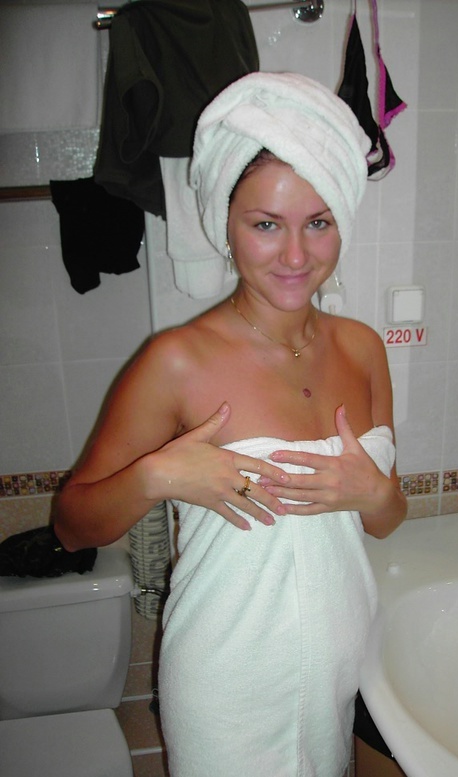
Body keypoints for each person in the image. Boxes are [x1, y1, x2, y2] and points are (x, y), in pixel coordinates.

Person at [54, 72, 407, 777]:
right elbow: (71, 525)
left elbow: (386, 519)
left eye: (318, 222)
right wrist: (157, 475)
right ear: (226, 223)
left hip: (338, 671)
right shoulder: (176, 361)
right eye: (266, 224)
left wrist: (373, 492)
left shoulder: (364, 349)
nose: (296, 255)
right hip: (226, 686)